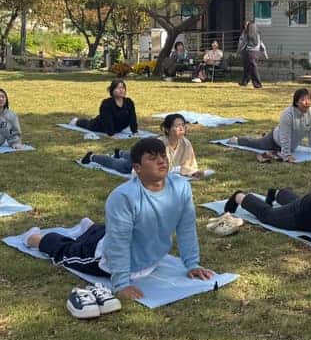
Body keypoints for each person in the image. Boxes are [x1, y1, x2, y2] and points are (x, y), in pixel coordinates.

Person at [26, 137, 214, 302]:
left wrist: (192, 264)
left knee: (114, 230)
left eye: (163, 156)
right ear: (137, 168)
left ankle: (90, 229)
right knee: (66, 251)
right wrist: (122, 283)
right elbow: (118, 242)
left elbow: (186, 227)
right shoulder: (124, 196)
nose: (161, 161)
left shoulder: (181, 187)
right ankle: (36, 239)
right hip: (106, 259)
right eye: (152, 158)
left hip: (148, 257)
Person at [82, 113, 204, 178]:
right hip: (142, 161)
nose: (181, 128)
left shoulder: (186, 143)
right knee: (122, 166)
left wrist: (193, 172)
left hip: (143, 154)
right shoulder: (160, 144)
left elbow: (190, 164)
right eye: (177, 126)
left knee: (131, 156)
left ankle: (121, 153)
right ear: (167, 129)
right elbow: (152, 167)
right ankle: (92, 157)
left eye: (183, 125)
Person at [230, 87, 311, 162]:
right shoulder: (288, 114)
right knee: (256, 143)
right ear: (296, 102)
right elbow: (285, 135)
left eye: (309, 99)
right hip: (274, 140)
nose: (307, 103)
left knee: (260, 142)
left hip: (291, 146)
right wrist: (286, 155)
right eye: (303, 100)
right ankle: (237, 140)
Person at [73, 79, 138, 136]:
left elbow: (133, 117)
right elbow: (107, 121)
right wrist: (111, 134)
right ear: (112, 91)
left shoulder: (129, 102)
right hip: (100, 125)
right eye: (118, 88)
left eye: (123, 88)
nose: (121, 90)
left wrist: (134, 131)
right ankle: (76, 121)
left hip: (118, 128)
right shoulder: (107, 103)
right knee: (88, 124)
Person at [237, 21, 267, 88]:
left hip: (249, 52)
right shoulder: (258, 34)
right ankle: (244, 82)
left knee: (253, 69)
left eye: (247, 25)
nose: (245, 26)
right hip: (256, 53)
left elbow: (242, 43)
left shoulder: (247, 34)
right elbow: (261, 44)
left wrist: (238, 51)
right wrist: (264, 53)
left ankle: (257, 84)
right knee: (248, 68)